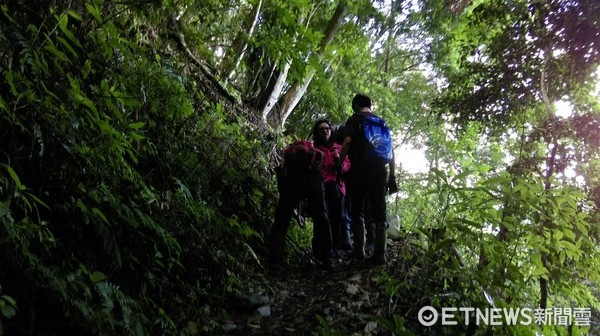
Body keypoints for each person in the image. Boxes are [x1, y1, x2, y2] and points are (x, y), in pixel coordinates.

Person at [338, 94, 398, 265]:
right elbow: (391, 152)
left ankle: (359, 251)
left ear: (356, 105)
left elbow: (347, 141)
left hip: (358, 170)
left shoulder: (355, 119)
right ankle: (380, 254)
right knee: (380, 211)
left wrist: (339, 165)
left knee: (357, 209)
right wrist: (392, 176)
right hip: (380, 171)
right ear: (370, 105)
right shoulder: (381, 122)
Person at [269, 139, 335, 272]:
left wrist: (283, 190)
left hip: (292, 180)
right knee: (322, 218)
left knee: (281, 220)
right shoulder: (315, 153)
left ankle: (275, 261)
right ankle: (328, 258)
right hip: (314, 179)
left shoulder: (288, 151)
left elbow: (282, 169)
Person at [312, 119, 352, 253]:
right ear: (317, 132)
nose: (325, 131)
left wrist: (339, 159)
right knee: (322, 218)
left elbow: (347, 166)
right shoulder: (314, 149)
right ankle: (321, 249)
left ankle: (335, 248)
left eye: (327, 128)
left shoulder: (338, 147)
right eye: (321, 129)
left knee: (337, 218)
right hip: (320, 186)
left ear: (330, 130)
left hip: (337, 186)